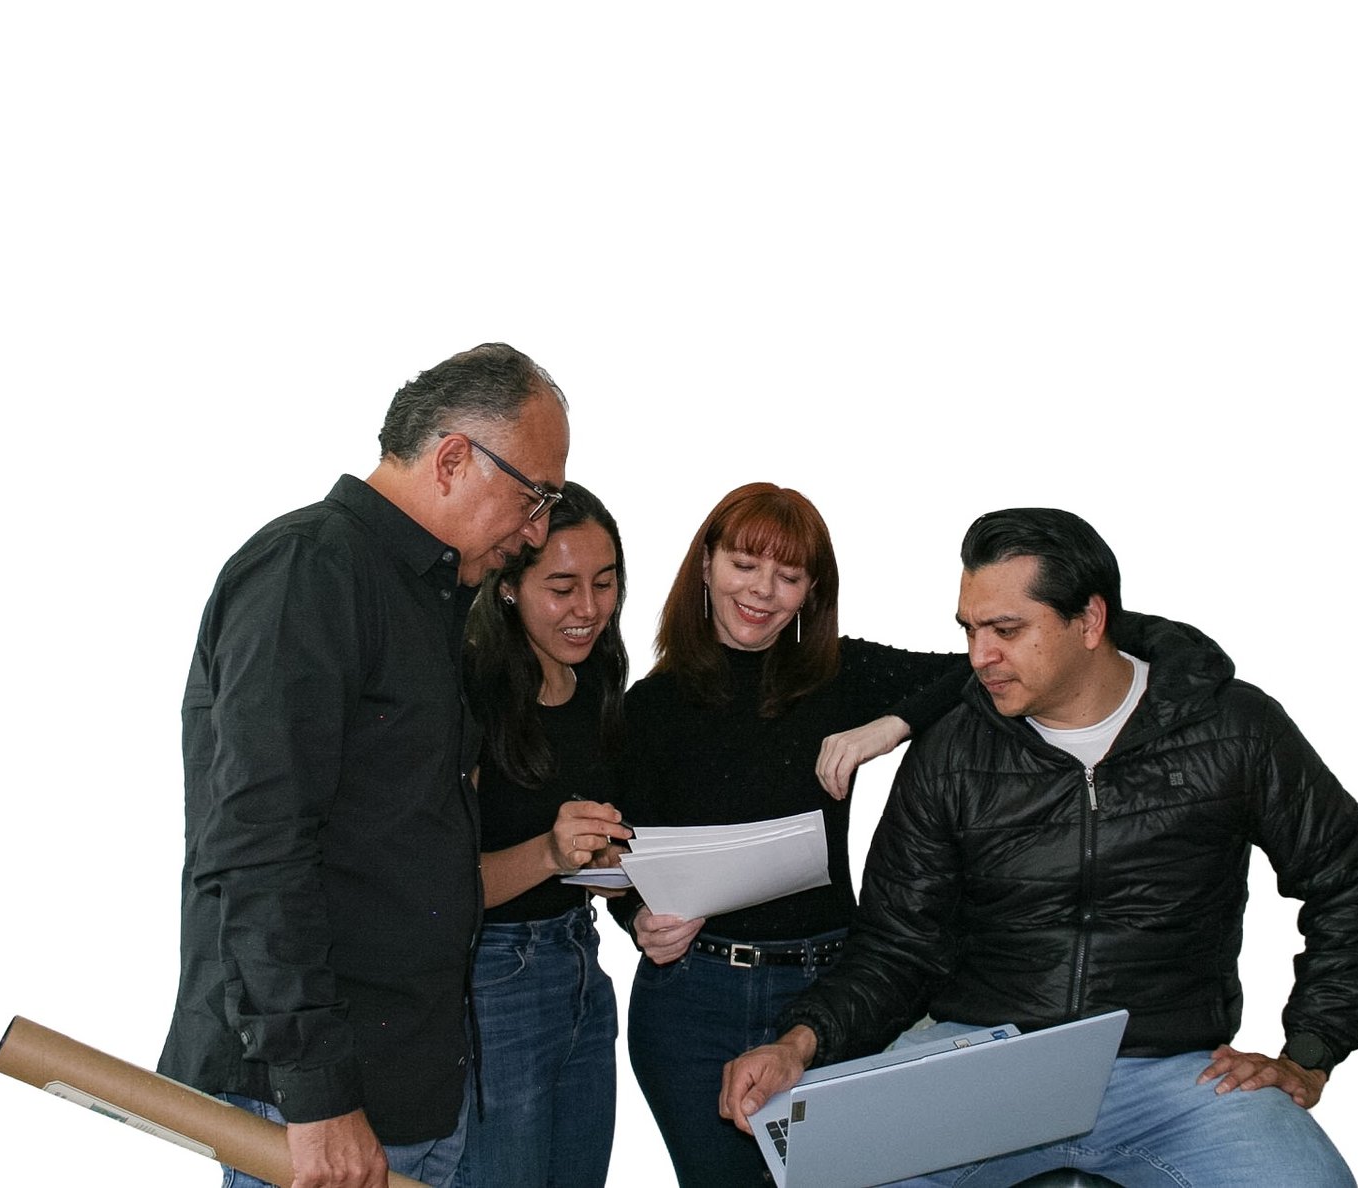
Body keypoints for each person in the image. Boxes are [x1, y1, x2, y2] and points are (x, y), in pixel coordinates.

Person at [721, 507, 1358, 1188]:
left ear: (1091, 622)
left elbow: (1350, 884)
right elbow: (897, 947)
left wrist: (1310, 1051)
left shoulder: (1234, 729)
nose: (979, 656)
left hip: (1169, 1074)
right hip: (980, 1063)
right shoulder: (952, 751)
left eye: (1007, 630)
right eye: (970, 630)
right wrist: (798, 1042)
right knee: (821, 1176)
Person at [159, 343, 571, 1188]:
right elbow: (259, 848)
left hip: (411, 1084)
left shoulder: (425, 594)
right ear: (454, 458)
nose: (537, 533)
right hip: (323, 1109)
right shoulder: (311, 571)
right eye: (536, 498)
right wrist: (318, 1098)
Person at [615, 481, 964, 1187]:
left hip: (831, 989)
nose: (763, 591)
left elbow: (979, 672)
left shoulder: (842, 674)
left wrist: (889, 726)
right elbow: (624, 855)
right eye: (745, 565)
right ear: (706, 564)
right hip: (691, 1000)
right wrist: (638, 918)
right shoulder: (647, 706)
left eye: (789, 575)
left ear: (811, 592)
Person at [456, 482, 635, 1188]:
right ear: (508, 588)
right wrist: (551, 853)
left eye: (605, 582)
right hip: (492, 978)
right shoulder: (467, 694)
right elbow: (445, 892)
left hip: (581, 962)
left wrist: (621, 868)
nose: (588, 609)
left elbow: (593, 856)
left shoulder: (598, 682)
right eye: (561, 587)